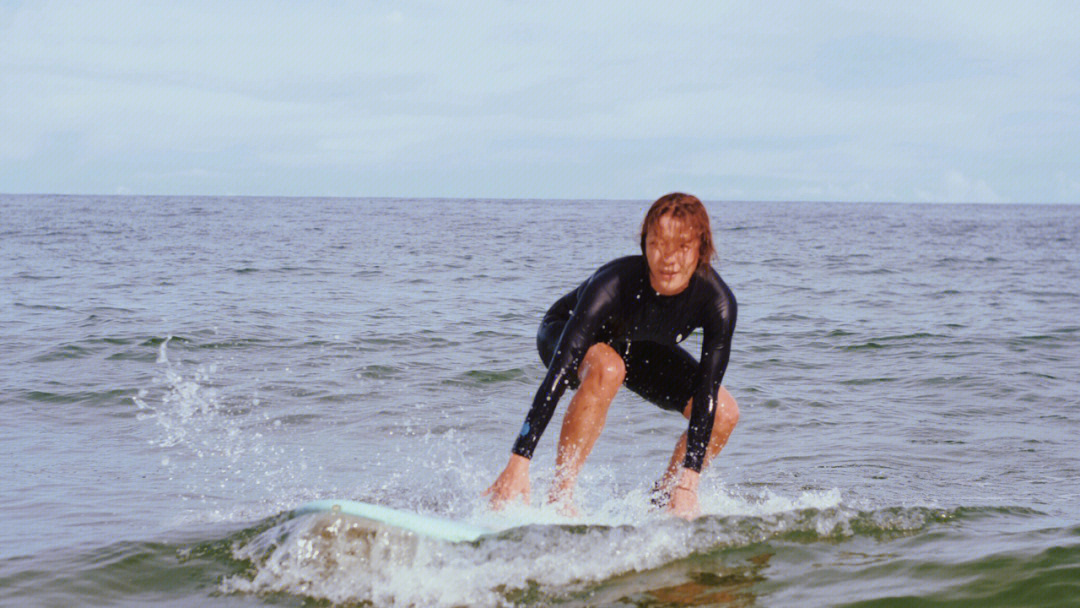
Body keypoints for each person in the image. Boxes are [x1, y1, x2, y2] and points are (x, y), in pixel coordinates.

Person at [485, 193, 738, 519]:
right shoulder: (613, 283)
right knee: (608, 367)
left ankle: (664, 500)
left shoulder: (717, 303)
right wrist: (519, 459)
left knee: (724, 412)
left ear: (701, 250)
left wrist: (690, 480)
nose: (668, 258)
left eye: (682, 246)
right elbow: (559, 372)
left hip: (637, 345)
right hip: (564, 333)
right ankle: (560, 497)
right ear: (644, 242)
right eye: (658, 243)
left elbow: (707, 388)